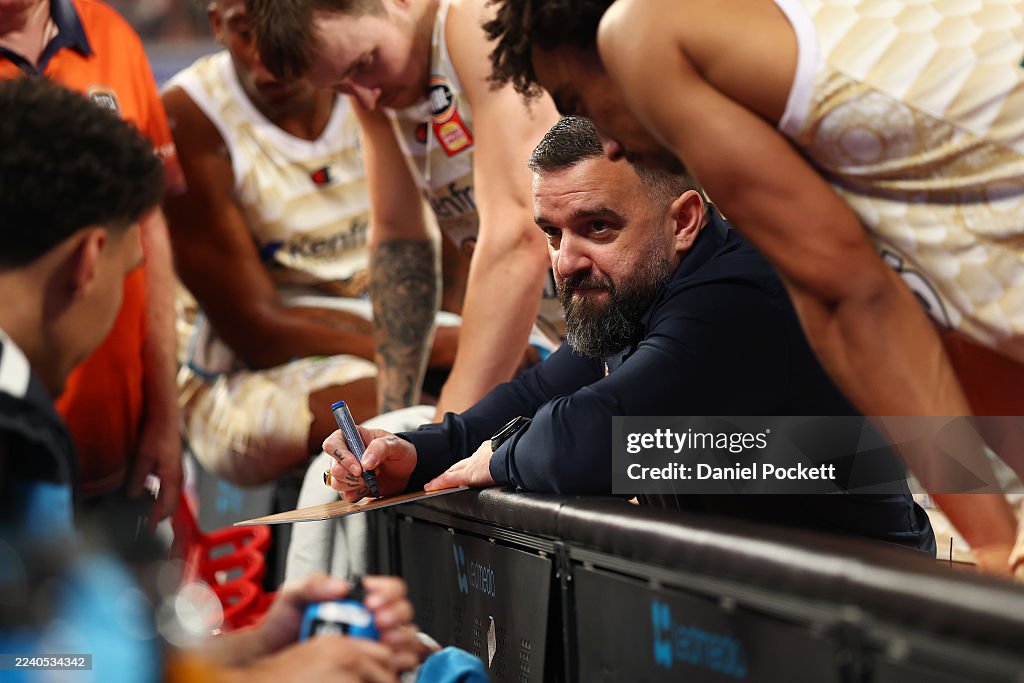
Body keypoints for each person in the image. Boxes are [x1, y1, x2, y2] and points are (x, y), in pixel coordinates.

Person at [482, 0, 1024, 578]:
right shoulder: (836, 127)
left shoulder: (637, 31)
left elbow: (852, 301)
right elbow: (867, 308)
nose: (608, 144)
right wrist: (1000, 537)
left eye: (579, 102)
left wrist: (994, 542)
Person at [322, 116, 935, 553]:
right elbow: (538, 393)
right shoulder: (635, 289)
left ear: (684, 221)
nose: (565, 260)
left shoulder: (739, 295)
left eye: (597, 227)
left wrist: (498, 458)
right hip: (748, 589)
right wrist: (418, 452)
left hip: (869, 601)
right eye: (553, 233)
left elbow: (595, 436)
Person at [0, 76, 421, 683]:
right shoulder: (15, 433)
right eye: (131, 274)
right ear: (89, 261)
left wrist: (253, 649)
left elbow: (60, 654)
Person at [162, 0, 458, 485]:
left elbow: (439, 238)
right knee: (409, 424)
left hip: (393, 324)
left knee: (507, 384)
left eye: (286, 32)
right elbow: (257, 331)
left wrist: (452, 346)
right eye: (245, 32)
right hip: (247, 368)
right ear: (215, 24)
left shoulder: (368, 73)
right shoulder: (188, 115)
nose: (272, 57)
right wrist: (440, 349)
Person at [246, 0, 560, 419]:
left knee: (653, 464)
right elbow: (399, 241)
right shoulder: (373, 89)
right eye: (339, 89)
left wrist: (449, 424)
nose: (364, 97)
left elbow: (520, 229)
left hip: (652, 315)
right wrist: (399, 413)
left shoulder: (471, 20)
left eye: (363, 64)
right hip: (581, 333)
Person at [0, 0, 183, 520]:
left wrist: (165, 416)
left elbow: (149, 219)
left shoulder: (113, 34)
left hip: (110, 453)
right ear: (89, 261)